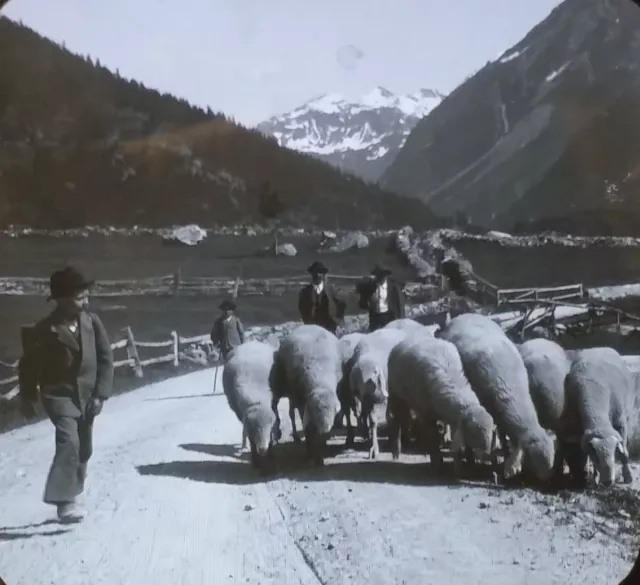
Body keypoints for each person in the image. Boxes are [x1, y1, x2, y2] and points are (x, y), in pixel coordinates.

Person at [18, 266, 114, 524]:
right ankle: (64, 501)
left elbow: (105, 359)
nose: (86, 302)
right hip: (58, 395)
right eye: (80, 298)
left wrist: (100, 394)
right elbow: (28, 366)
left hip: (87, 395)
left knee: (84, 447)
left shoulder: (92, 322)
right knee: (69, 441)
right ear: (61, 300)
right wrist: (28, 395)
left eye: (86, 296)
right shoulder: (45, 330)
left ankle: (73, 490)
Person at [298, 260, 346, 335]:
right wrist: (307, 321)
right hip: (313, 327)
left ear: (323, 275)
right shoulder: (305, 292)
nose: (317, 274)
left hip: (329, 326)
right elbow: (302, 308)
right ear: (311, 274)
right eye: (315, 272)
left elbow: (342, 304)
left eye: (320, 272)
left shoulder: (331, 289)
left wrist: (337, 320)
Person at [358, 264, 405, 331]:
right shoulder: (371, 286)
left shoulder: (393, 286)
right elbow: (363, 302)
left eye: (382, 275)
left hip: (388, 316)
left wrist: (402, 319)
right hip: (375, 316)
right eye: (378, 275)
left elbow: (400, 302)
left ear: (386, 275)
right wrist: (369, 302)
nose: (380, 277)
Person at [210, 298, 245, 363]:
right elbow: (213, 334)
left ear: (232, 311)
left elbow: (241, 333)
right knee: (228, 362)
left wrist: (243, 345)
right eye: (225, 310)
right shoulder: (219, 322)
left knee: (237, 362)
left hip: (236, 346)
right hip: (225, 347)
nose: (227, 312)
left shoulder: (236, 320)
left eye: (229, 310)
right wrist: (216, 342)